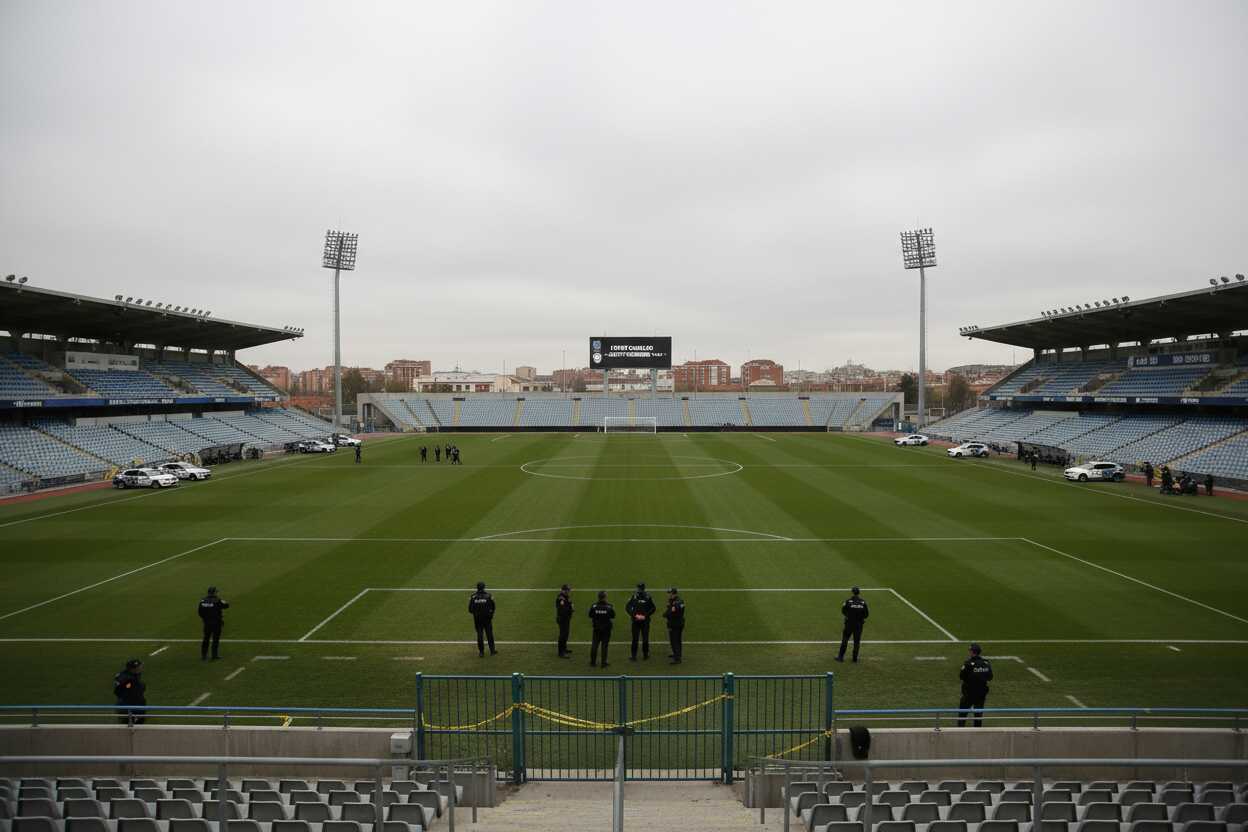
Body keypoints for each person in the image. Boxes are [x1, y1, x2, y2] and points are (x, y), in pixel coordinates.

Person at [957, 643, 994, 727]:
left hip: (968, 694)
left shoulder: (968, 664)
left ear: (972, 652)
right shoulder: (986, 663)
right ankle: (978, 732)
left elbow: (961, 676)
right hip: (981, 694)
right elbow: (990, 677)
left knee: (962, 715)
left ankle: (960, 732)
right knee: (978, 715)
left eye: (969, 650)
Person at [834, 586, 869, 663]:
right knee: (857, 641)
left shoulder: (848, 601)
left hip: (849, 624)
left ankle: (840, 657)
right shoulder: (863, 602)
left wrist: (848, 616)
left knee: (845, 639)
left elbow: (843, 611)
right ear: (859, 593)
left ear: (852, 592)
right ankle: (854, 659)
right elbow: (866, 614)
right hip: (859, 625)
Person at [625, 582, 656, 661]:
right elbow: (627, 607)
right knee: (635, 639)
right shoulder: (634, 597)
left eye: (639, 588)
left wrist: (645, 616)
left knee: (645, 639)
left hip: (645, 622)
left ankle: (645, 655)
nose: (638, 589)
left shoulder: (648, 597)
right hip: (635, 621)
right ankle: (633, 656)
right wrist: (634, 615)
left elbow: (653, 608)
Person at [198, 586, 229, 661]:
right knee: (215, 639)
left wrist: (205, 619)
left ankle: (203, 655)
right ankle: (214, 655)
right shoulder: (217, 600)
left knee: (206, 639)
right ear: (214, 593)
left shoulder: (203, 601)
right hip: (216, 623)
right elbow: (226, 605)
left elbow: (200, 612)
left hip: (207, 623)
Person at [114, 658, 147, 725]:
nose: (141, 668)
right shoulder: (126, 678)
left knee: (139, 722)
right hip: (128, 704)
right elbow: (118, 690)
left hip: (137, 703)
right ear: (133, 669)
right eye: (139, 667)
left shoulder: (135, 674)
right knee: (127, 724)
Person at [468, 581, 497, 657]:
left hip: (477, 619)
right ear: (484, 587)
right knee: (489, 634)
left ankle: (481, 652)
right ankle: (492, 651)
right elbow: (493, 607)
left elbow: (470, 609)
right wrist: (491, 615)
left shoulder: (473, 597)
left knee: (480, 635)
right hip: (487, 619)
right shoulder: (488, 596)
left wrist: (476, 614)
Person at [588, 591, 615, 667]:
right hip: (606, 629)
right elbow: (613, 616)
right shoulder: (609, 606)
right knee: (604, 646)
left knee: (594, 645)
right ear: (605, 597)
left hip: (597, 628)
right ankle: (603, 663)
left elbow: (590, 615)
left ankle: (593, 662)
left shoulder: (594, 606)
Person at [663, 587, 685, 664]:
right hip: (677, 623)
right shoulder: (675, 601)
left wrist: (665, 614)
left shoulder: (677, 602)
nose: (669, 595)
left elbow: (672, 612)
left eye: (670, 593)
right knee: (677, 640)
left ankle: (677, 658)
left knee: (674, 640)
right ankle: (677, 654)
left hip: (675, 624)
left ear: (674, 594)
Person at [555, 584, 574, 658]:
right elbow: (562, 610)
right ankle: (561, 652)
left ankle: (564, 649)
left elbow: (568, 603)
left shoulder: (566, 596)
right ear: (563, 590)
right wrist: (571, 609)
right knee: (562, 635)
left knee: (566, 634)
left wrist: (571, 606)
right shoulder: (561, 598)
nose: (568, 591)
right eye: (567, 590)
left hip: (566, 618)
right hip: (562, 619)